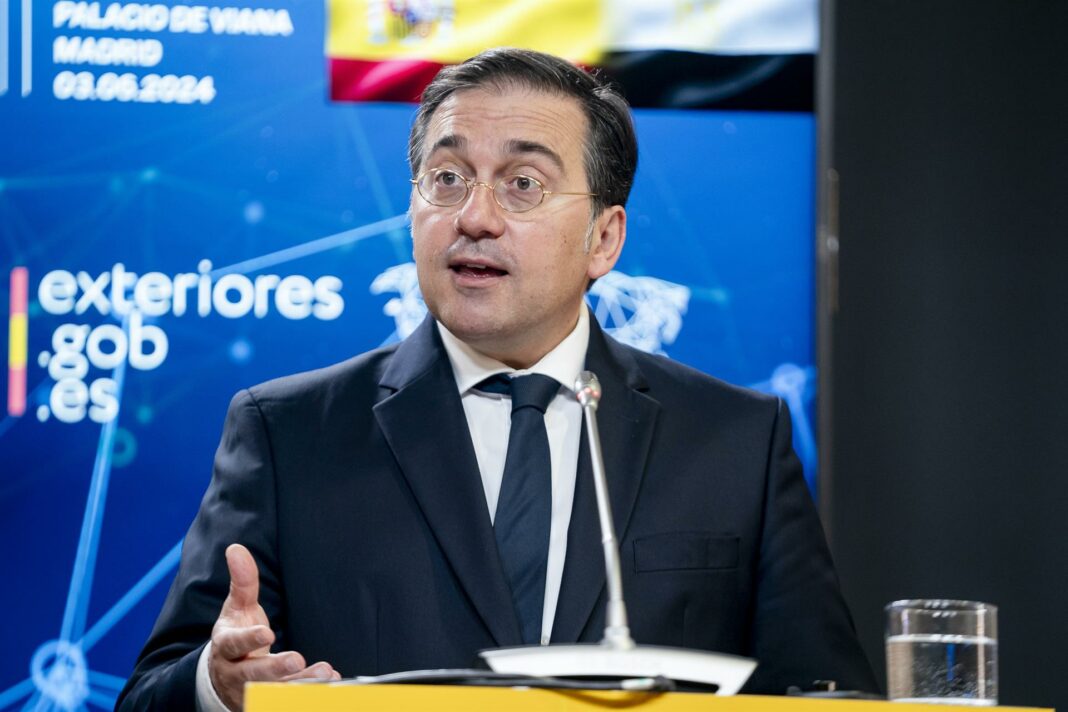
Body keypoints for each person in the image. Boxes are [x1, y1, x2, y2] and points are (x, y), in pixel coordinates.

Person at [116, 48, 878, 711]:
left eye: (523, 184)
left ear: (604, 238)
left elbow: (824, 697)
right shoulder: (288, 433)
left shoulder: (735, 441)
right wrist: (217, 685)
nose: (475, 217)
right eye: (447, 178)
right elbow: (150, 696)